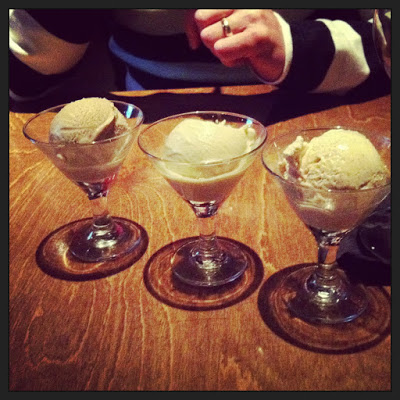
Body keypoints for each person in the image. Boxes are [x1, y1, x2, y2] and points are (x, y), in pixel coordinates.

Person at [9, 9, 389, 104]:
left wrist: (293, 46)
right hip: (147, 141)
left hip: (314, 126)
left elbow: (385, 43)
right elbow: (27, 71)